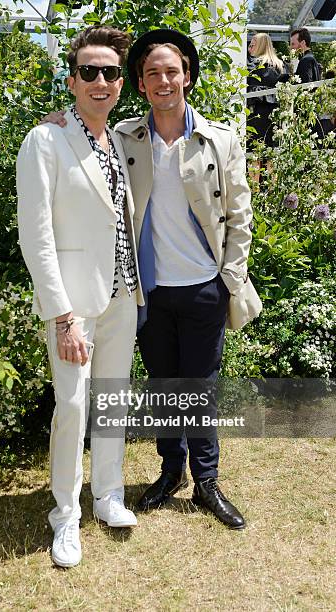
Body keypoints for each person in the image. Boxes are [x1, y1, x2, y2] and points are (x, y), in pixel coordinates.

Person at [43, 29, 262, 530]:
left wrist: (229, 277)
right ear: (139, 84)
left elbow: (239, 215)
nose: (163, 81)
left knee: (199, 388)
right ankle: (171, 471)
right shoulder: (124, 138)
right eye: (152, 73)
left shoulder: (220, 139)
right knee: (165, 386)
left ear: (187, 76)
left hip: (205, 285)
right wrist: (54, 124)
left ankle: (207, 481)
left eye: (171, 71)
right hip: (150, 290)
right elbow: (82, 136)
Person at [16, 25, 143, 568]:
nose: (100, 81)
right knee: (71, 407)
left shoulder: (117, 139)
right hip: (73, 304)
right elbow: (35, 233)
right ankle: (65, 516)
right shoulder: (46, 139)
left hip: (121, 295)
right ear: (71, 81)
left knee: (112, 400)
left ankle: (108, 494)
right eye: (89, 71)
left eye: (110, 72)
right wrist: (62, 315)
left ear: (121, 83)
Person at [247, 33, 286, 147]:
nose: (249, 49)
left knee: (254, 151)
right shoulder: (280, 66)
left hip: (255, 113)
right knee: (271, 151)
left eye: (252, 46)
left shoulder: (253, 65)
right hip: (274, 115)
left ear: (259, 46)